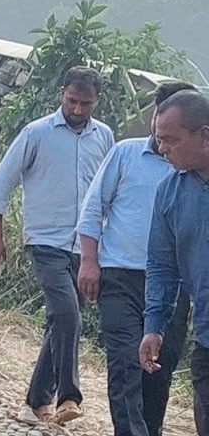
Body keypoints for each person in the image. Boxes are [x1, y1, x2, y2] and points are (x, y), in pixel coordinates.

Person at [0, 66, 114, 424]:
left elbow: (110, 191)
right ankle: (68, 398)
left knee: (62, 319)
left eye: (85, 103)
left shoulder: (104, 138)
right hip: (45, 240)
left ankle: (37, 397)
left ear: (95, 101)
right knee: (68, 314)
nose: (77, 109)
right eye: (72, 101)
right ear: (61, 95)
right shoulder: (36, 132)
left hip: (86, 247)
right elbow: (2, 180)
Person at [80, 82, 197, 436]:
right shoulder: (125, 153)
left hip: (174, 286)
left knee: (158, 372)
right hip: (120, 277)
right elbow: (92, 209)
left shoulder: (191, 168)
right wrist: (89, 261)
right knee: (125, 363)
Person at [141, 89, 209, 433]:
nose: (162, 148)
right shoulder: (170, 193)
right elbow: (162, 265)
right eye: (158, 139)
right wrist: (154, 325)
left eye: (171, 140)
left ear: (205, 135)